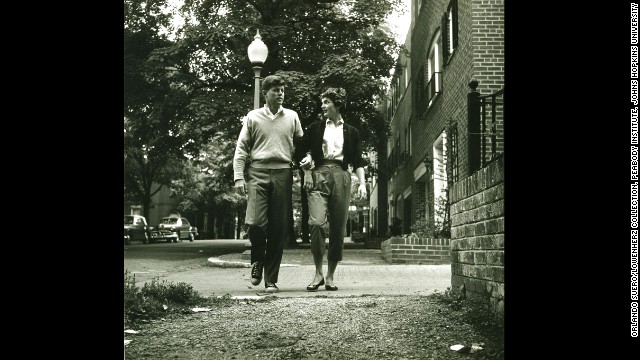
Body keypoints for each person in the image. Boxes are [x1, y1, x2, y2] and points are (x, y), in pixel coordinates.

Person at [233, 75, 304, 293]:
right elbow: (242, 148)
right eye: (276, 90)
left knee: (278, 228)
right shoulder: (253, 117)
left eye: (282, 90)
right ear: (265, 93)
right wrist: (238, 176)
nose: (280, 93)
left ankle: (271, 278)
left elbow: (301, 146)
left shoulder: (292, 117)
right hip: (257, 172)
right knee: (255, 222)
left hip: (283, 172)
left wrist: (306, 161)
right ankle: (257, 260)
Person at [297, 87, 368, 291]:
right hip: (318, 174)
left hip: (342, 176)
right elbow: (302, 152)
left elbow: (358, 161)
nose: (323, 106)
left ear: (337, 104)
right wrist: (308, 172)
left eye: (326, 102)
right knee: (317, 222)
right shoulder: (315, 127)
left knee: (338, 227)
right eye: (323, 102)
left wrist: (362, 183)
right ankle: (318, 272)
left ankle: (330, 276)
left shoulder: (352, 131)